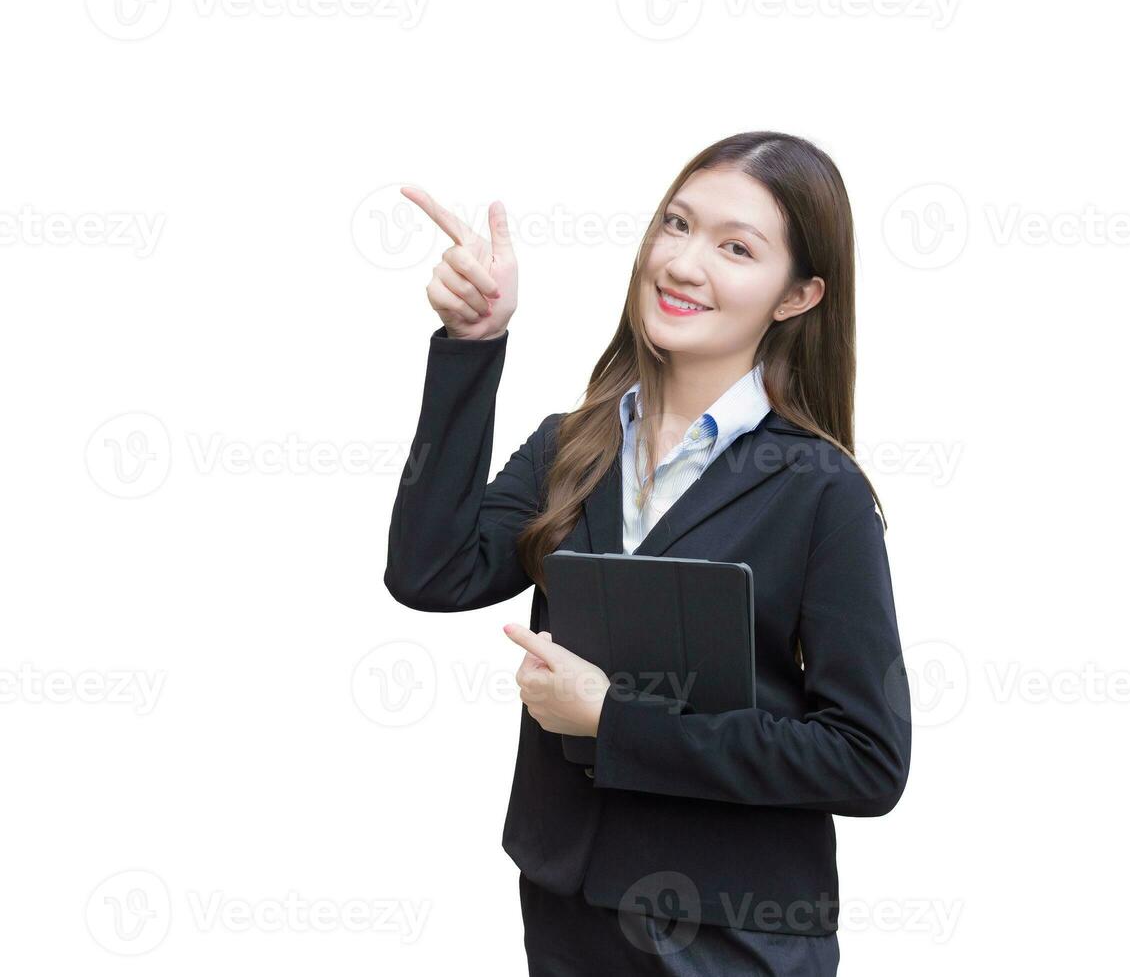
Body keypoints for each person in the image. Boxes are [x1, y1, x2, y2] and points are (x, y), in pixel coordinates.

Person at [384, 131, 912, 976]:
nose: (685, 263)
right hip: (569, 909)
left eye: (737, 248)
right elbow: (429, 573)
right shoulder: (573, 447)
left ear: (798, 295)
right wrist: (471, 349)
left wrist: (614, 721)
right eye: (677, 225)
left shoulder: (819, 491)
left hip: (734, 934)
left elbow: (865, 760)